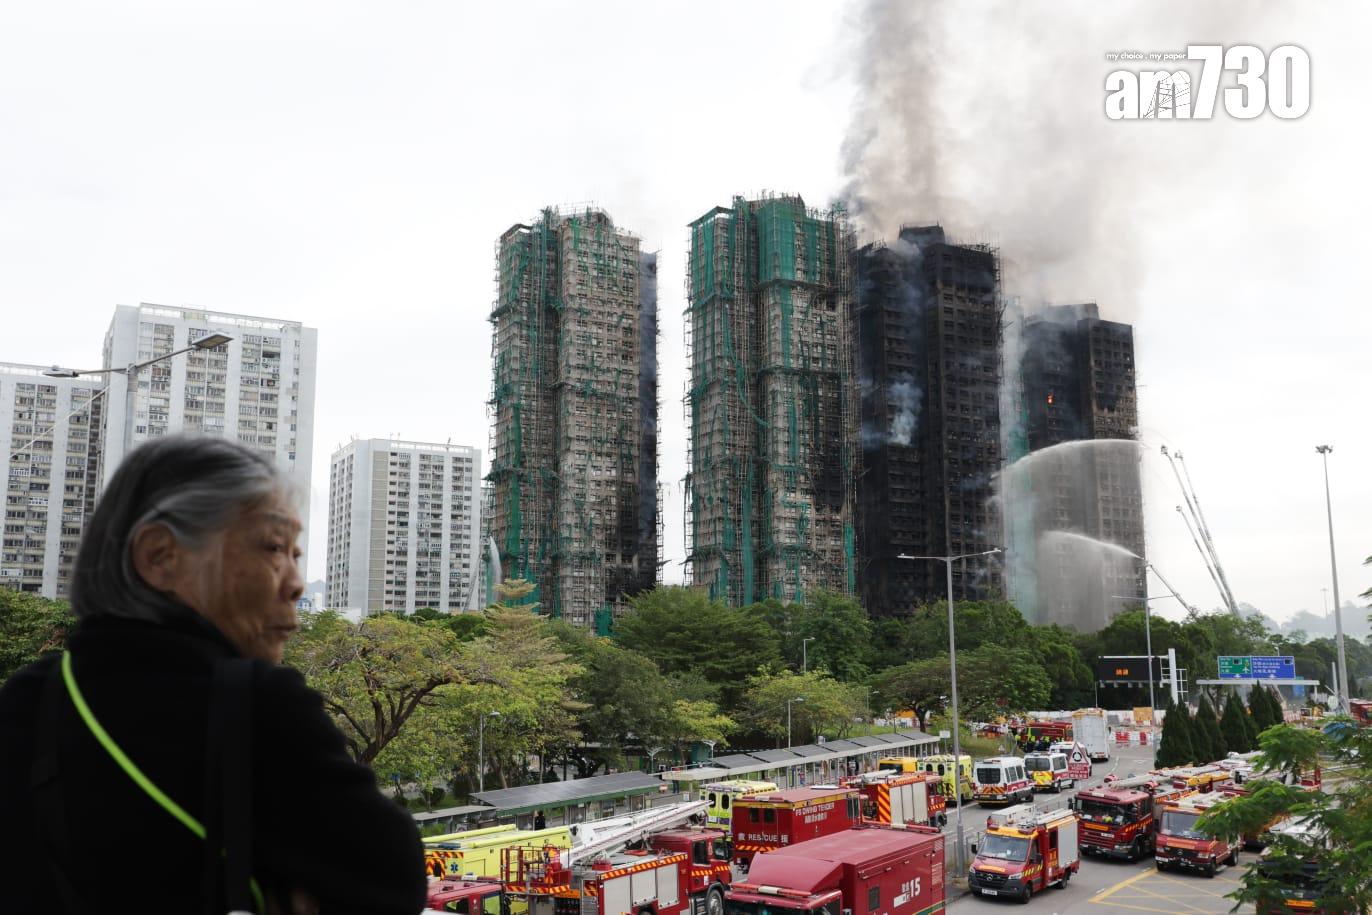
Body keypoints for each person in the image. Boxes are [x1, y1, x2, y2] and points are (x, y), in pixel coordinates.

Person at [0, 436, 426, 913]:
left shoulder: (27, 698)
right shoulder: (258, 704)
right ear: (160, 556)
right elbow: (394, 881)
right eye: (272, 547)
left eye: (296, 554)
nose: (295, 583)